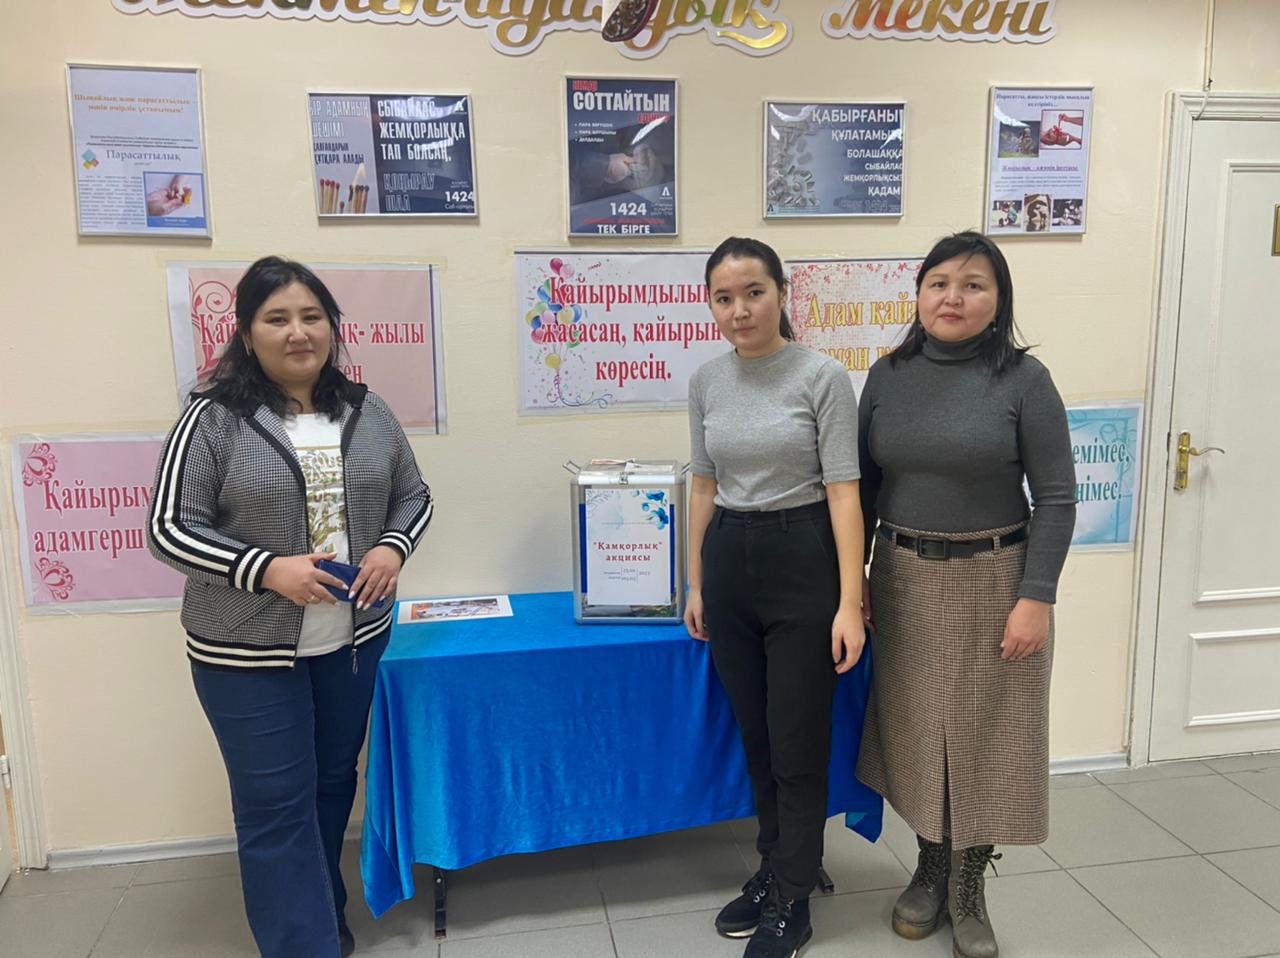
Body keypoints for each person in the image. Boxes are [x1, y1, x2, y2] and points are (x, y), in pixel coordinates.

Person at [147, 256, 433, 958]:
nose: (298, 332)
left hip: (351, 642)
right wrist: (267, 569)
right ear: (247, 333)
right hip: (245, 651)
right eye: (277, 318)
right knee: (275, 807)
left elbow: (414, 495)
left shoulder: (367, 410)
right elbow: (169, 528)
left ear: (332, 327)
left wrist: (392, 547)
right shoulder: (213, 419)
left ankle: (320, 912)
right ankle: (304, 944)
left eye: (312, 317)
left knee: (333, 783)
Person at [856, 231, 1076, 958]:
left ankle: (969, 882)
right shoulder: (887, 376)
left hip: (996, 579)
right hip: (902, 578)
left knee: (989, 735)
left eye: (973, 284)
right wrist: (853, 585)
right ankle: (929, 866)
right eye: (939, 282)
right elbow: (862, 490)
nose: (953, 297)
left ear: (998, 299)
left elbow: (1056, 497)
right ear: (918, 294)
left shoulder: (1025, 381)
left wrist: (1036, 595)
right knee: (917, 729)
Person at [685, 237, 865, 958]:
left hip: (802, 558)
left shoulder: (822, 376)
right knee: (756, 735)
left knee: (797, 739)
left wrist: (849, 601)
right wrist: (696, 583)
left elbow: (844, 493)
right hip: (730, 557)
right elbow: (703, 485)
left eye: (753, 292)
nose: (740, 310)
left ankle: (794, 897)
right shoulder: (707, 381)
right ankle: (776, 867)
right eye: (724, 298)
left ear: (782, 294)